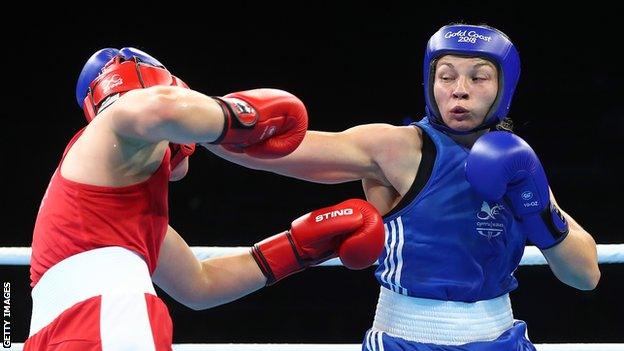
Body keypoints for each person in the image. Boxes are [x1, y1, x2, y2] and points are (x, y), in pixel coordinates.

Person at [204, 23, 601, 350]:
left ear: (504, 87)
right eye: (446, 76)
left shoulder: (516, 161)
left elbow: (584, 276)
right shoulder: (399, 147)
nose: (459, 89)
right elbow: (278, 153)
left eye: (478, 77)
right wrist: (197, 124)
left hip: (501, 337)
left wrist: (536, 205)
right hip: (406, 337)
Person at [25, 47, 385, 350]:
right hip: (103, 318)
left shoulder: (119, 211)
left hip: (59, 331)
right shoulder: (115, 124)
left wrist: (299, 248)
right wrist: (238, 117)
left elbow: (200, 284)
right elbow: (153, 109)